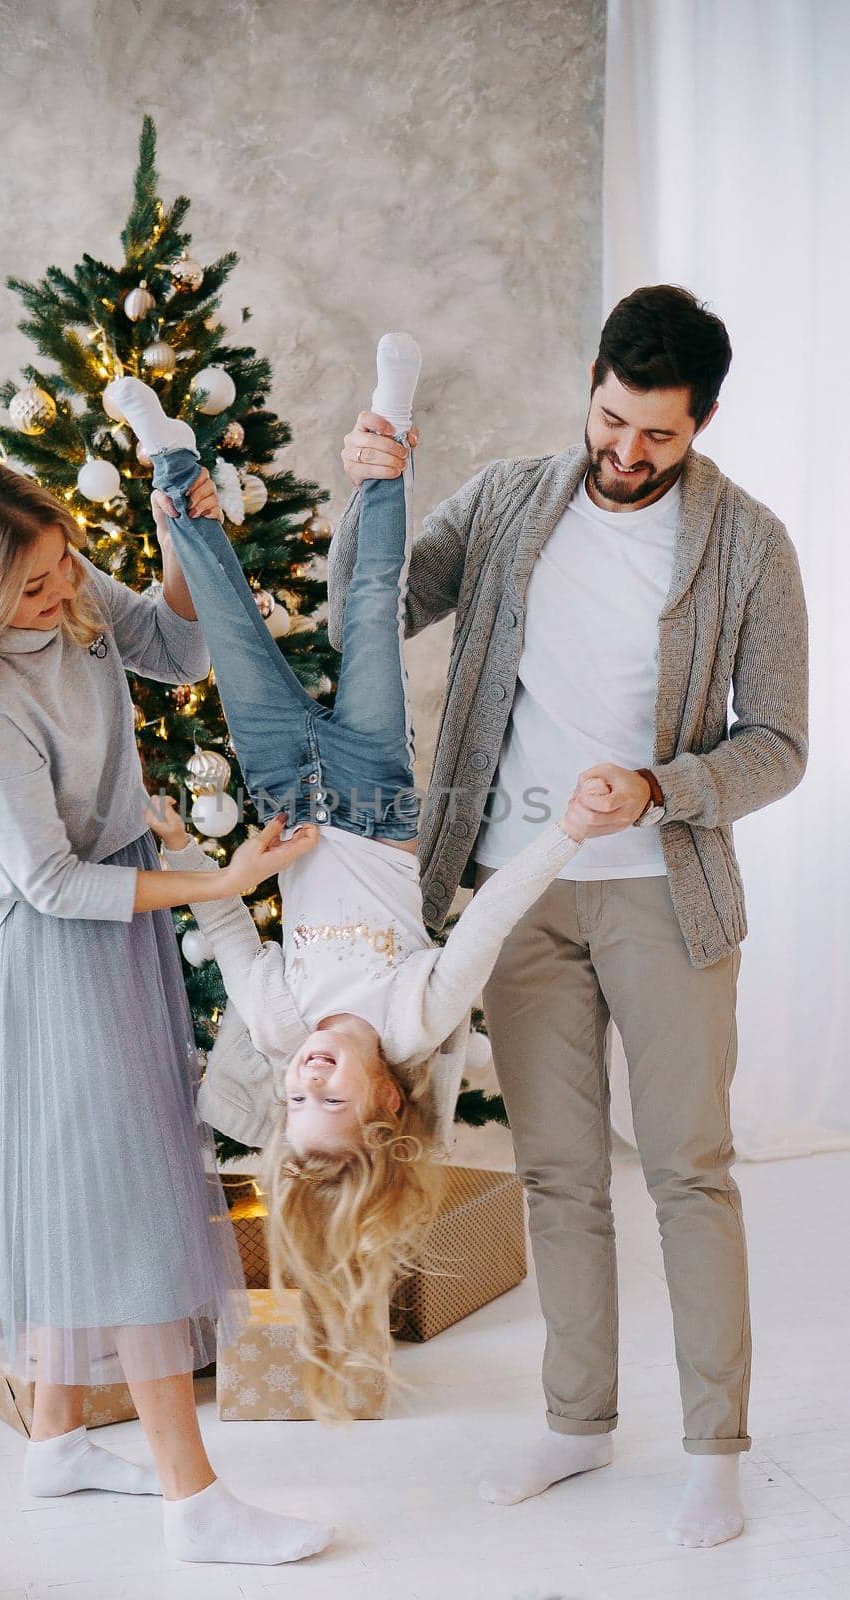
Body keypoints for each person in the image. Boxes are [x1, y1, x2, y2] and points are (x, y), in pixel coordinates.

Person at [328, 285, 809, 1547]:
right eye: (611, 419)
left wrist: (661, 787)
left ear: (699, 422)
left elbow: (780, 746)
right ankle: (576, 1421)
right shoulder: (502, 500)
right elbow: (370, 611)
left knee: (688, 1173)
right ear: (590, 384)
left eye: (657, 435)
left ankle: (714, 1444)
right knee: (556, 1174)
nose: (625, 452)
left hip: (662, 895)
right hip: (515, 892)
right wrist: (369, 488)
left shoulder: (747, 544)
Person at [105, 339, 629, 1423]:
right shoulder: (415, 1018)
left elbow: (229, 938)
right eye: (327, 1096)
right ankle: (387, 434)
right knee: (374, 603)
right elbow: (487, 914)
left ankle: (169, 460)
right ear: (387, 1099)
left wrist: (182, 848)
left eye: (293, 1096)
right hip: (374, 791)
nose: (304, 1075)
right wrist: (566, 834)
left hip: (283, 795)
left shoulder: (285, 1014)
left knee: (235, 627)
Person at [0, 457, 334, 1567]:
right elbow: (49, 885)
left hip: (113, 904)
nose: (62, 592)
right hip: (54, 941)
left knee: (92, 1176)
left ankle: (58, 1439)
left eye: (61, 561)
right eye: (32, 587)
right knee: (124, 1194)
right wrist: (219, 884)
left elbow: (176, 649)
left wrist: (179, 532)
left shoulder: (69, 585)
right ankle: (193, 1500)